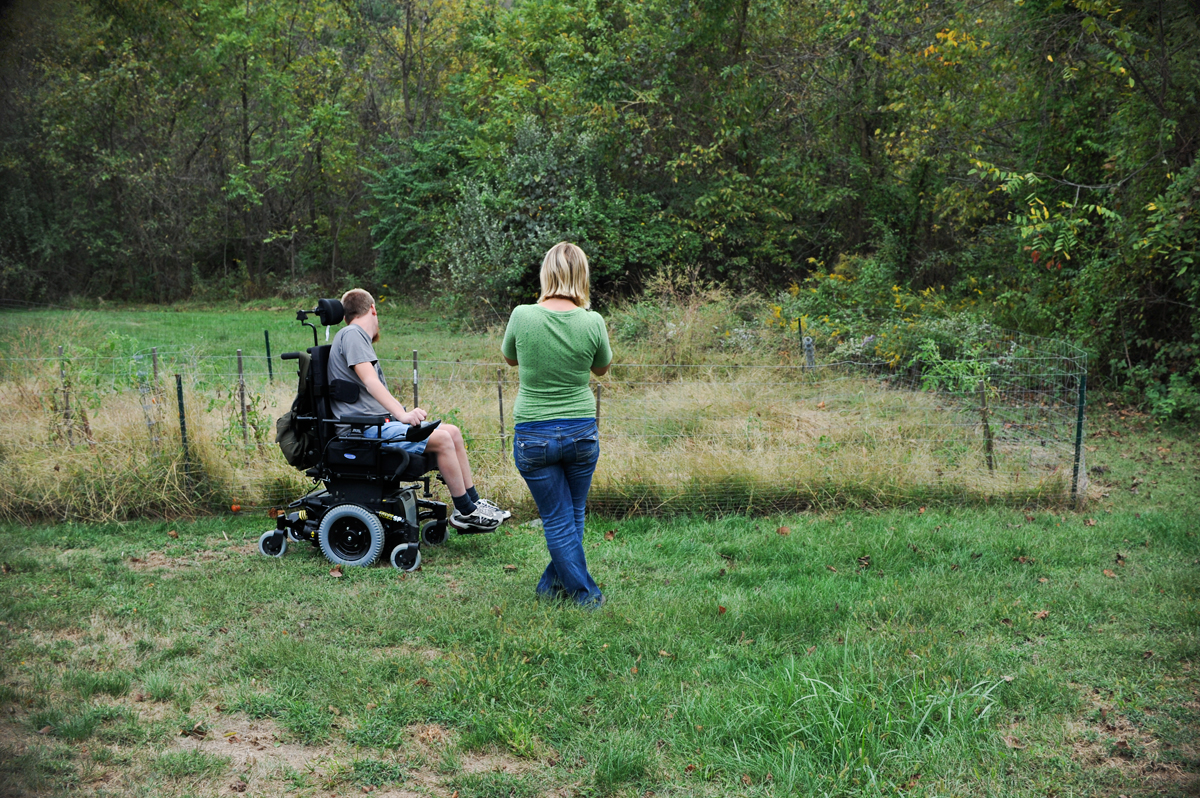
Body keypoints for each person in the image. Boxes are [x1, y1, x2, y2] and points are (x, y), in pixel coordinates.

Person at [329, 288, 507, 532]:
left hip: (373, 424)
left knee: (452, 432)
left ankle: (474, 503)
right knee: (443, 439)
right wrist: (402, 415)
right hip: (361, 432)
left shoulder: (351, 335)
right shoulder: (352, 334)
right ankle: (464, 511)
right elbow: (370, 382)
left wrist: (397, 417)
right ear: (373, 309)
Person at [501, 242, 612, 608]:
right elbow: (601, 368)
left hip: (534, 432)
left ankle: (566, 591)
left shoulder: (522, 315)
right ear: (582, 275)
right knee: (571, 515)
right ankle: (572, 592)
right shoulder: (592, 321)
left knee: (559, 518)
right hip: (581, 430)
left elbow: (510, 359)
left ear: (546, 272)